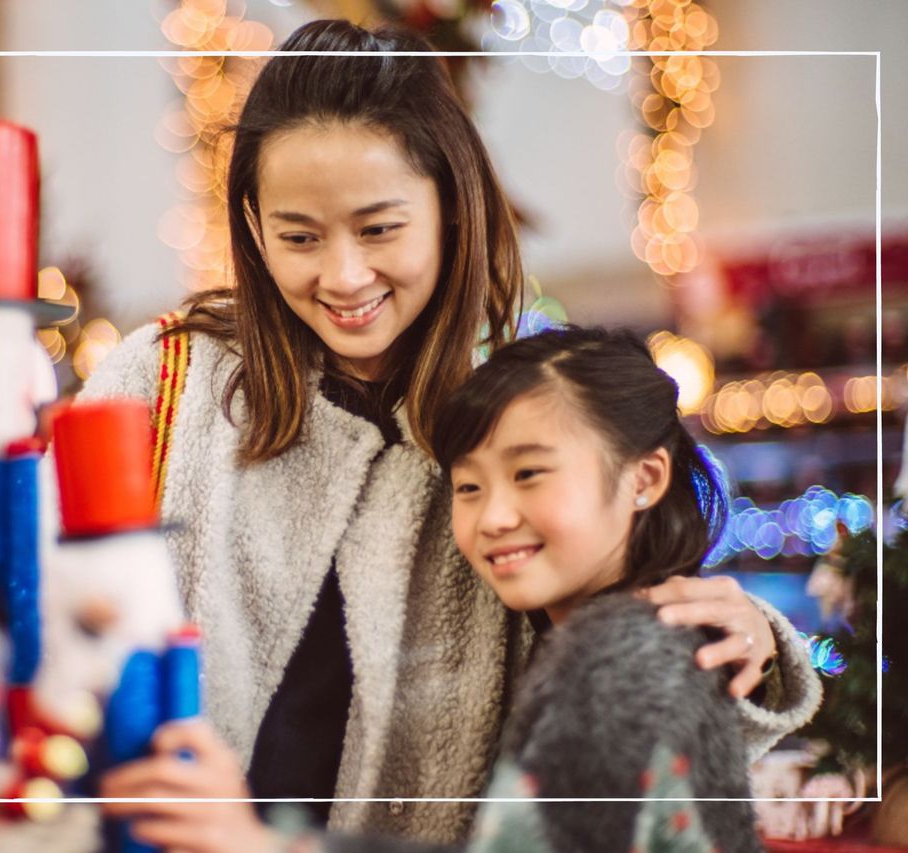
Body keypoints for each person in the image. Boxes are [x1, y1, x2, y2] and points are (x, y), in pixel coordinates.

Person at [78, 18, 819, 844]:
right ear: (253, 228)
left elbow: (619, 725)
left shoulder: (513, 407)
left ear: (450, 209)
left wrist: (741, 638)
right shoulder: (160, 383)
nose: (344, 275)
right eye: (299, 237)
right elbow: (36, 619)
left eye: (380, 228)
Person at [98, 327, 821, 852]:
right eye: (469, 486)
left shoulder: (623, 653)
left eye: (530, 473)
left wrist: (259, 841)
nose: (493, 516)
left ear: (646, 477)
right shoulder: (608, 636)